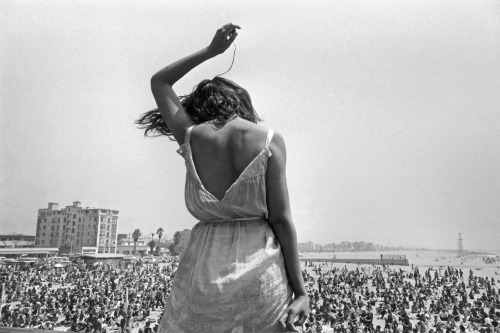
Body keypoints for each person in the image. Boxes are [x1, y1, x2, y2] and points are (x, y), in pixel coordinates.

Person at [137, 23, 309, 332]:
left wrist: (211, 51)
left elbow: (160, 81)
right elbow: (281, 220)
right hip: (261, 275)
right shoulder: (269, 139)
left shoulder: (190, 136)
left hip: (203, 276)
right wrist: (301, 291)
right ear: (241, 102)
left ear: (201, 107)